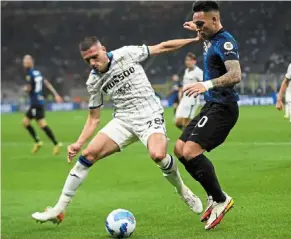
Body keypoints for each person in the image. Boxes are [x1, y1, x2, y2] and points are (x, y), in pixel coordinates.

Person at [31, 36, 204, 224]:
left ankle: (182, 190)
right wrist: (79, 143)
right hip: (123, 119)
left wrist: (194, 39)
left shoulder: (127, 53)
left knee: (158, 155)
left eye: (95, 57)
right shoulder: (93, 81)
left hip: (149, 113)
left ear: (103, 49)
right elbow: (94, 118)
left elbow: (162, 47)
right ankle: (58, 209)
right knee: (88, 154)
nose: (92, 63)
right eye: (87, 60)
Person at [174, 1, 241, 230]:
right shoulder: (208, 35)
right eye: (196, 24)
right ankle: (213, 195)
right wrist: (197, 29)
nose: (198, 28)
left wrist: (207, 84)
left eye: (201, 23)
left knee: (191, 151)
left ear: (215, 20)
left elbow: (235, 74)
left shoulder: (226, 42)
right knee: (179, 149)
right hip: (211, 106)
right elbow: (204, 33)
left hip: (224, 108)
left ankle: (221, 200)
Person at [22, 55, 63, 155]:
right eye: (24, 60)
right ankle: (38, 142)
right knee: (26, 122)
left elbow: (29, 88)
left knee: (42, 125)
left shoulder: (29, 74)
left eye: (27, 60)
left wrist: (25, 89)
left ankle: (56, 144)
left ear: (31, 62)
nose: (25, 62)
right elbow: (47, 83)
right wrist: (56, 94)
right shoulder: (37, 72)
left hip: (35, 103)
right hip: (38, 102)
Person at [175, 52, 203, 130]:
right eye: (187, 60)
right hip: (184, 99)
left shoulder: (199, 72)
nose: (188, 62)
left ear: (194, 61)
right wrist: (180, 93)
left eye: (190, 60)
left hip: (192, 100)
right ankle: (189, 136)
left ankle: (190, 138)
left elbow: (203, 84)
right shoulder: (186, 70)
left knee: (187, 123)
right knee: (177, 122)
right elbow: (184, 85)